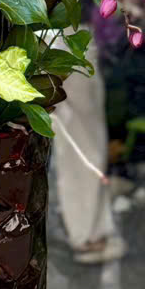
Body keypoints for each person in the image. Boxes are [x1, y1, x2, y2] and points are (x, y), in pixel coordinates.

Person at [53, 42, 126, 264]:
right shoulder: (67, 40)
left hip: (72, 59)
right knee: (82, 163)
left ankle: (89, 235)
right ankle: (87, 238)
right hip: (71, 64)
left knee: (81, 161)